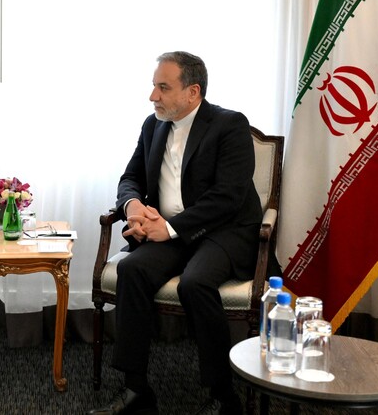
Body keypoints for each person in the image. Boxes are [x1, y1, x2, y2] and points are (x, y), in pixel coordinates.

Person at [89, 51, 260, 415]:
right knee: (132, 270)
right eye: (154, 86)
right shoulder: (153, 126)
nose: (153, 96)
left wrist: (168, 228)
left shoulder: (230, 125)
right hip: (170, 231)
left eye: (163, 87)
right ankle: (136, 389)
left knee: (194, 283)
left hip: (221, 232)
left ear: (192, 92)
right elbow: (131, 177)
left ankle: (223, 396)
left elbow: (228, 197)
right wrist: (132, 207)